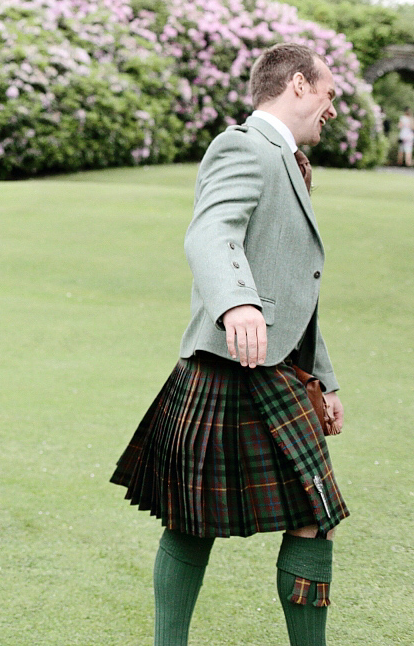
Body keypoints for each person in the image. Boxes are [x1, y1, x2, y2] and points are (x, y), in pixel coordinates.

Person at [111, 42, 348, 646]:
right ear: (298, 84)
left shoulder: (290, 161)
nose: (333, 107)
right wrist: (236, 300)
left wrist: (326, 377)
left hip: (282, 372)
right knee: (192, 525)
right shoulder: (243, 145)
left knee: (313, 518)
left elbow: (300, 286)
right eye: (328, 91)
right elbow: (212, 230)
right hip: (227, 365)